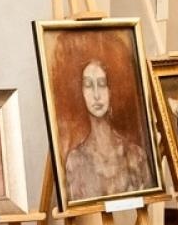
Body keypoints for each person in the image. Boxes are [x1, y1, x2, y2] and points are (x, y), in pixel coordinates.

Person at [62, 58, 151, 201]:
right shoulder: (75, 161)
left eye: (102, 84)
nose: (96, 95)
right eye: (89, 85)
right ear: (82, 93)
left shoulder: (136, 155)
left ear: (110, 90)